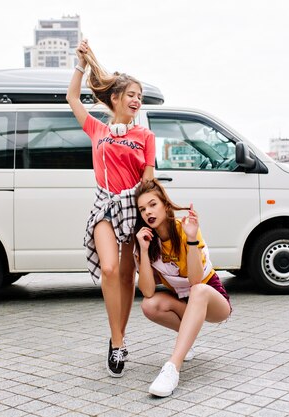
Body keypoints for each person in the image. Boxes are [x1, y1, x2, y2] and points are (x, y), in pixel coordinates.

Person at [66, 39, 155, 378]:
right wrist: (81, 65)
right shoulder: (98, 130)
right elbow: (72, 99)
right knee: (109, 270)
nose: (137, 100)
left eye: (140, 96)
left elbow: (148, 180)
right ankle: (117, 340)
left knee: (127, 275)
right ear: (116, 98)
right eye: (132, 94)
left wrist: (149, 215)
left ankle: (118, 338)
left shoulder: (145, 136)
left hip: (132, 206)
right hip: (104, 204)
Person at [134, 180, 231, 397]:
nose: (148, 212)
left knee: (198, 290)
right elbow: (148, 292)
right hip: (184, 302)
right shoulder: (148, 242)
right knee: (149, 305)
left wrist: (192, 238)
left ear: (165, 206)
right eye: (142, 209)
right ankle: (187, 341)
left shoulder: (185, 228)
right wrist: (142, 249)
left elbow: (196, 280)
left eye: (152, 205)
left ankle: (172, 368)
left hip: (212, 300)